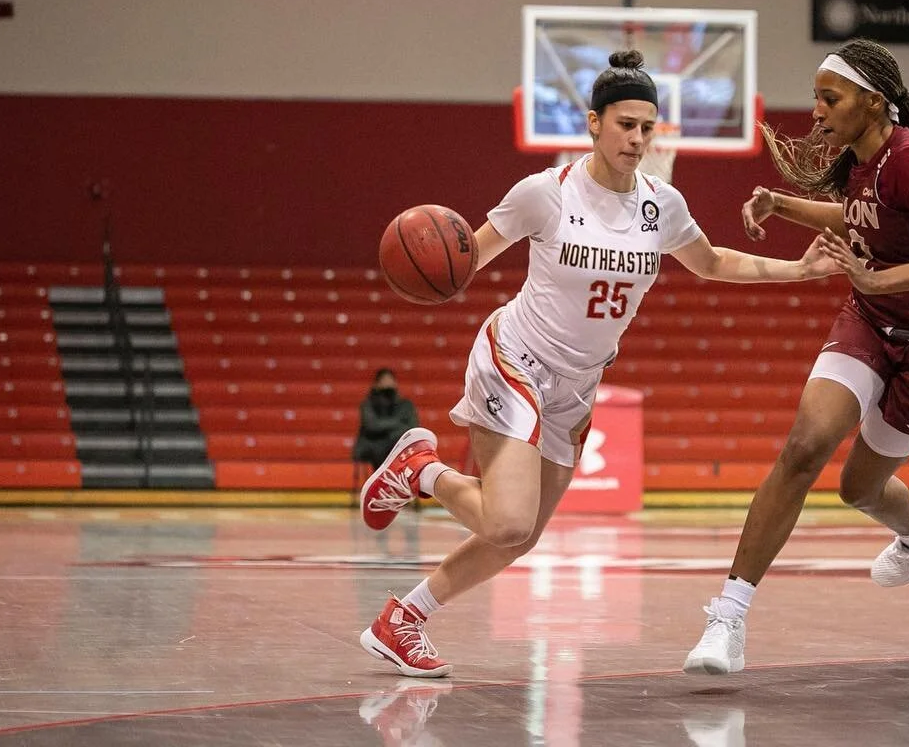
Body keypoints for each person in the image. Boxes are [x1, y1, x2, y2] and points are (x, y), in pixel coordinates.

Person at [355, 50, 840, 677]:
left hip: (578, 385)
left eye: (647, 126)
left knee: (521, 536)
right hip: (516, 358)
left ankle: (403, 619)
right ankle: (419, 469)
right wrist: (428, 255)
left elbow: (714, 262)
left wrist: (798, 269)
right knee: (506, 521)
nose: (637, 138)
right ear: (593, 123)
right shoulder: (546, 193)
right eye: (625, 125)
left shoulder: (662, 206)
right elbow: (468, 255)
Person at [682, 37, 909, 674]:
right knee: (803, 447)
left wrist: (878, 280)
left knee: (859, 487)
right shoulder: (859, 160)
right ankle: (728, 618)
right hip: (871, 325)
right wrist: (780, 203)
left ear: (874, 102)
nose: (816, 111)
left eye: (830, 98)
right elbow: (858, 216)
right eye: (815, 98)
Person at [353, 368, 421, 470]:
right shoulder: (368, 404)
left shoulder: (405, 405)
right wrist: (397, 423)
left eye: (390, 380)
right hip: (372, 443)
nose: (387, 383)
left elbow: (412, 427)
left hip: (396, 443)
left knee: (398, 444)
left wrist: (387, 427)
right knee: (382, 448)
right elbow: (372, 426)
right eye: (384, 380)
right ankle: (384, 479)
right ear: (376, 384)